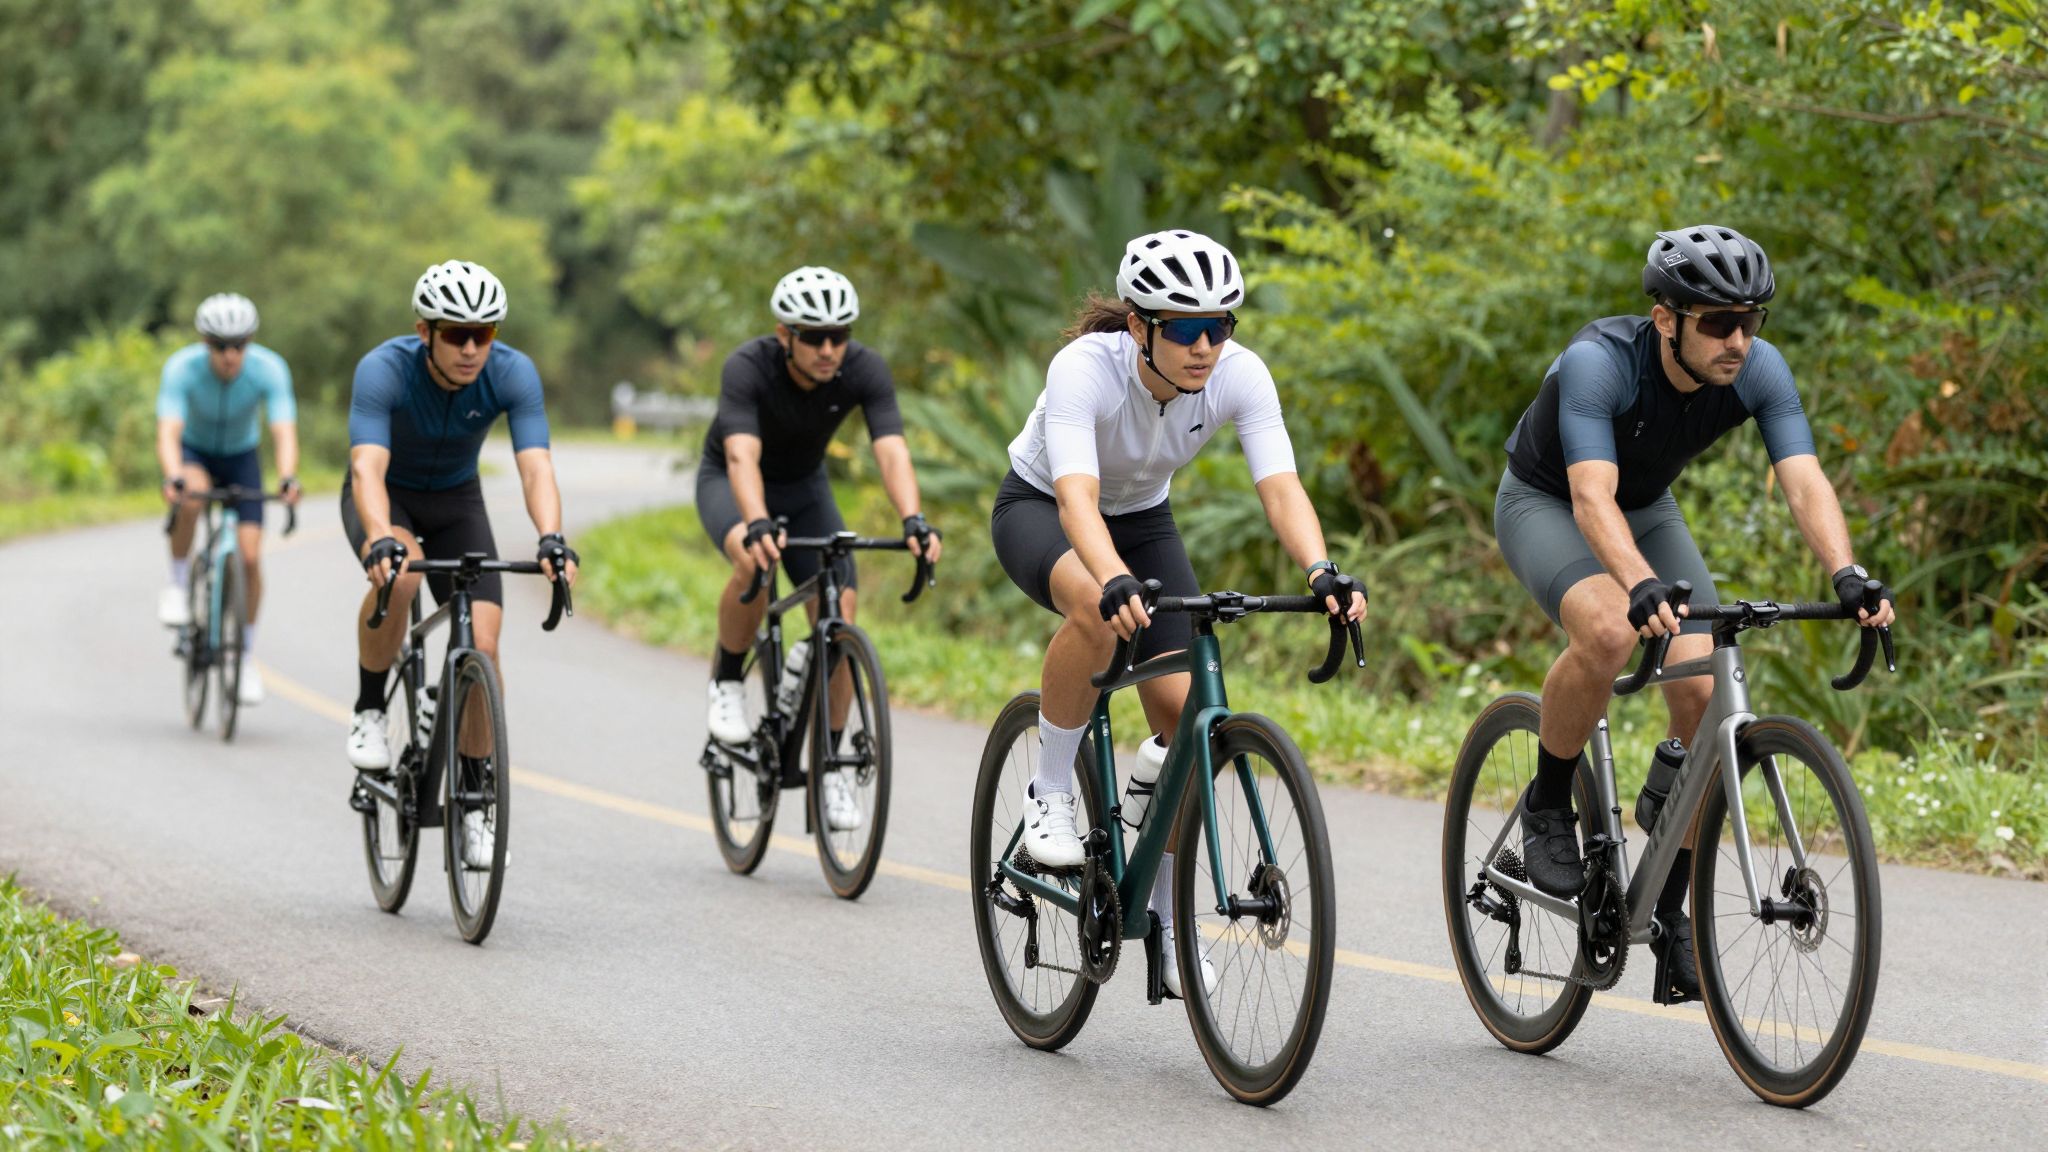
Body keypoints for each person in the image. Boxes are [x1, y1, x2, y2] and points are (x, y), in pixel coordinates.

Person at [1494, 224, 1898, 1001]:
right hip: (1548, 501)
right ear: (1666, 319)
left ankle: (1667, 908)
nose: (1738, 340)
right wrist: (1639, 584)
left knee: (1709, 691)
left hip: (1646, 507)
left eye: (1751, 321)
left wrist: (1848, 573)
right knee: (1612, 627)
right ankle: (1549, 801)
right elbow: (1589, 496)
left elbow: (1804, 479)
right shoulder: (1597, 363)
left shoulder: (1756, 369)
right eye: (1717, 322)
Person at [990, 229, 1367, 998]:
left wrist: (1321, 569)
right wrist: (1113, 578)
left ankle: (1165, 919)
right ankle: (1050, 792)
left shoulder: (1239, 374)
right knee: (1097, 613)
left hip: (1143, 521)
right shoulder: (1083, 371)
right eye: (1186, 329)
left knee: (1185, 728)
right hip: (1043, 508)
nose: (1206, 348)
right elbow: (1075, 498)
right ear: (1139, 327)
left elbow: (1280, 486)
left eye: (1220, 328)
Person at [340, 259, 578, 864]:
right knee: (403, 572)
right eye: (456, 334)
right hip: (387, 496)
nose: (472, 348)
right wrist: (377, 538)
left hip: (455, 499)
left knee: (486, 647)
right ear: (426, 333)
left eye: (485, 333)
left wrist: (551, 538)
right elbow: (367, 465)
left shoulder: (512, 373)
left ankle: (474, 796)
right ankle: (370, 707)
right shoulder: (383, 368)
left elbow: (535, 465)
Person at [697, 266, 941, 833]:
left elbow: (891, 450)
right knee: (752, 558)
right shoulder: (747, 367)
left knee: (841, 615)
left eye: (840, 334)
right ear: (785, 334)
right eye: (814, 336)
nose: (829, 348)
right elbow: (740, 457)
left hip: (806, 488)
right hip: (732, 482)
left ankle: (830, 765)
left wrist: (913, 519)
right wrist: (756, 522)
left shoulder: (863, 368)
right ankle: (728, 681)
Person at [156, 292, 301, 706]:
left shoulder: (269, 369)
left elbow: (283, 430)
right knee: (191, 497)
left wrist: (288, 476)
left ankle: (246, 657)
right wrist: (172, 475)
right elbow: (168, 429)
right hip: (196, 453)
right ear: (206, 344)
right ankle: (178, 585)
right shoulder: (181, 369)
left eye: (239, 344)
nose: (230, 355)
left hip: (242, 458)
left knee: (251, 558)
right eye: (220, 346)